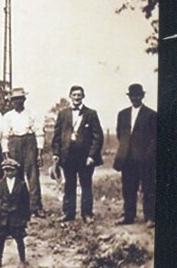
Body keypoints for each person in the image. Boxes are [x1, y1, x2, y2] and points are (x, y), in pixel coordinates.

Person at [52, 85, 104, 223]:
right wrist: (56, 154)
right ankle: (68, 213)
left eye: (79, 95)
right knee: (69, 184)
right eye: (74, 95)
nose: (76, 97)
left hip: (85, 157)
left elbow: (98, 136)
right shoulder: (63, 114)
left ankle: (87, 214)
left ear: (83, 96)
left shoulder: (91, 114)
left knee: (86, 185)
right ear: (70, 96)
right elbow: (57, 136)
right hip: (68, 155)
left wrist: (92, 156)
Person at [113, 83, 157, 226]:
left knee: (148, 188)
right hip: (127, 158)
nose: (135, 98)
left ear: (142, 96)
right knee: (128, 188)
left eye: (137, 95)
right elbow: (121, 134)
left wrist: (148, 155)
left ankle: (150, 217)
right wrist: (126, 150)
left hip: (145, 159)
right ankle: (128, 216)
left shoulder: (151, 114)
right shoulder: (123, 114)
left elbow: (155, 138)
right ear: (129, 97)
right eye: (132, 95)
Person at [1, 87, 44, 216]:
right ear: (11, 101)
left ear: (24, 99)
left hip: (29, 142)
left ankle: (36, 207)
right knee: (15, 175)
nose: (17, 102)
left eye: (19, 99)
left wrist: (39, 152)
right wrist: (6, 152)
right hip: (14, 143)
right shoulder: (8, 116)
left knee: (33, 176)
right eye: (14, 100)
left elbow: (39, 133)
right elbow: (4, 136)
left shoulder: (31, 114)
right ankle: (18, 207)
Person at [0, 158, 31, 268]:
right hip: (3, 215)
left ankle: (22, 260)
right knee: (1, 238)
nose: (8, 173)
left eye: (11, 170)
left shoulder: (21, 184)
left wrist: (25, 217)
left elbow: (26, 202)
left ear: (16, 171)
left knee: (19, 238)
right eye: (6, 170)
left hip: (16, 216)